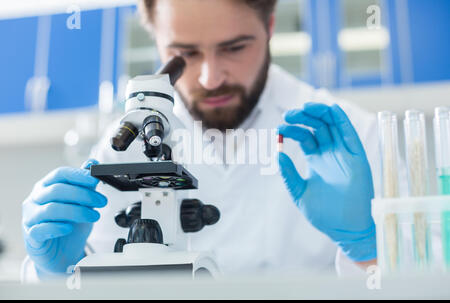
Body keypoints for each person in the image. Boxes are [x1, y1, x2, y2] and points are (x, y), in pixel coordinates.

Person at [21, 0, 382, 281]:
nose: (210, 78)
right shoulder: (130, 136)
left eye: (235, 47)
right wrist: (55, 274)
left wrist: (367, 252)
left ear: (269, 27)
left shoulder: (353, 139)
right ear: (158, 43)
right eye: (186, 54)